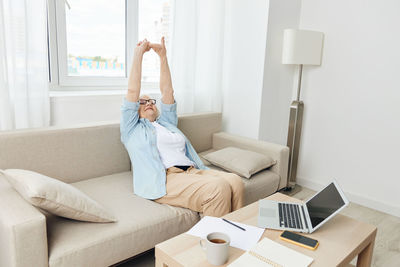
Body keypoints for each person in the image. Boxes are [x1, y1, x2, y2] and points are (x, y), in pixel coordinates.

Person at [120, 38, 244, 217]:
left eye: (151, 101)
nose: (148, 103)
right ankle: (213, 242)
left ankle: (237, 234)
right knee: (218, 187)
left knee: (235, 181)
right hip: (165, 179)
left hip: (191, 171)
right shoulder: (132, 129)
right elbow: (132, 91)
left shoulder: (166, 122)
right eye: (142, 102)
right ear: (134, 110)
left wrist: (163, 56)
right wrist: (138, 56)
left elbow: (168, 92)